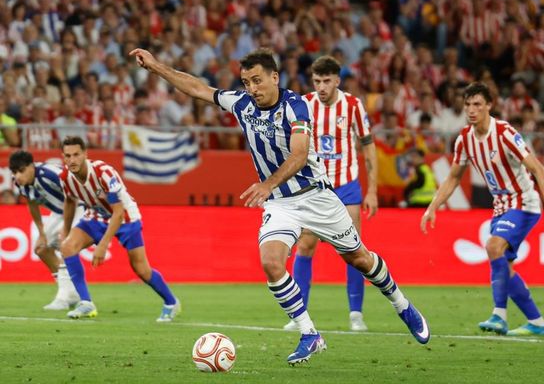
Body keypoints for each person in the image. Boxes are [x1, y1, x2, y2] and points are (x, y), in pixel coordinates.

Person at [129, 47, 429, 365]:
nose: (252, 88)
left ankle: (402, 304)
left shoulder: (296, 106)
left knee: (360, 259)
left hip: (315, 196)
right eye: (246, 82)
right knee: (271, 263)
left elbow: (299, 154)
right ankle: (309, 334)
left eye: (257, 80)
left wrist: (267, 184)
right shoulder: (242, 103)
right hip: (281, 203)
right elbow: (198, 88)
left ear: (275, 77)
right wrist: (156, 66)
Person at [420, 82, 544, 336]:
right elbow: (453, 177)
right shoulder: (464, 139)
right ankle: (537, 322)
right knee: (505, 268)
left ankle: (499, 315)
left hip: (523, 202)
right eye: (468, 104)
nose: (471, 110)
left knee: (493, 247)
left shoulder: (504, 133)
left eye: (477, 104)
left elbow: (537, 168)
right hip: (500, 207)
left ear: (489, 105)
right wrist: (432, 206)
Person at [281, 55, 378, 333]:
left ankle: (356, 314)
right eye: (317, 81)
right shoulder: (304, 104)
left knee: (353, 248)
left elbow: (368, 146)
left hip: (346, 184)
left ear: (337, 80)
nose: (321, 87)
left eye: (326, 81)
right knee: (305, 246)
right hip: (315, 186)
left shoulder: (353, 105)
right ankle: (299, 315)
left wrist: (372, 190)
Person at [58, 136, 179, 321]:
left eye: (76, 155)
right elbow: (69, 201)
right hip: (96, 216)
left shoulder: (103, 172)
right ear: (63, 157)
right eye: (68, 156)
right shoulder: (65, 177)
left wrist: (103, 245)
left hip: (126, 217)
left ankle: (171, 302)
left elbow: (118, 212)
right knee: (67, 247)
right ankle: (86, 303)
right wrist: (65, 231)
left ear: (85, 154)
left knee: (141, 269)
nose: (72, 160)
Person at [9, 150, 81, 310]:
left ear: (31, 166)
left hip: (80, 206)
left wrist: (66, 228)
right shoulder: (21, 183)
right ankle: (70, 292)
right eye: (14, 172)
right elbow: (32, 204)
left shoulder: (50, 174)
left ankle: (63, 297)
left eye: (21, 171)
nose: (18, 176)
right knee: (41, 249)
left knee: (66, 246)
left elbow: (74, 195)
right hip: (60, 212)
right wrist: (41, 233)